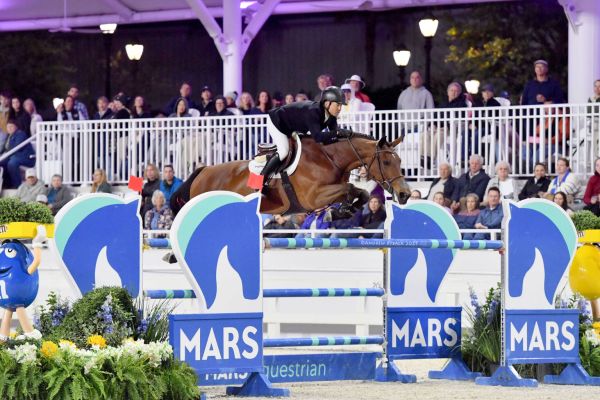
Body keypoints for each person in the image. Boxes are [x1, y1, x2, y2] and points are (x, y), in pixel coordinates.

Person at [259, 86, 347, 187]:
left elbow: (334, 136)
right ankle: (258, 181)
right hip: (277, 122)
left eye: (341, 105)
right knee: (284, 151)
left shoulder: (331, 116)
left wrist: (345, 135)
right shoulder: (314, 112)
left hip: (292, 126)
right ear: (327, 103)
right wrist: (338, 133)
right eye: (338, 105)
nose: (340, 109)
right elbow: (318, 137)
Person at [0, 120, 35, 188]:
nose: (9, 128)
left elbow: (16, 148)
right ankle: (6, 184)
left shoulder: (20, 134)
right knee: (2, 162)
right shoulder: (8, 136)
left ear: (16, 127)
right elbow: (4, 149)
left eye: (11, 126)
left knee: (12, 163)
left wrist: (5, 155)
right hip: (13, 157)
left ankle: (17, 186)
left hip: (27, 158)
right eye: (8, 127)